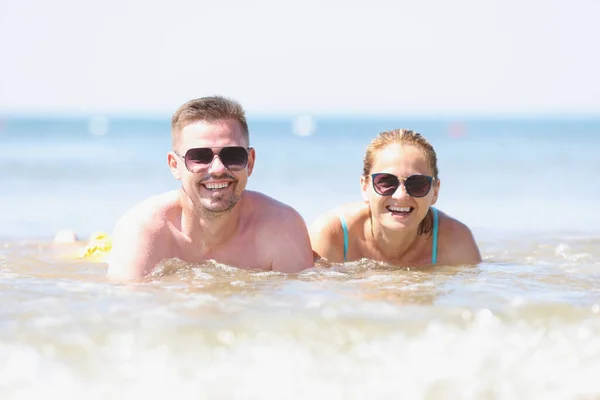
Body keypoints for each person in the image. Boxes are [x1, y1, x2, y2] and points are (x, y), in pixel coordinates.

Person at [103, 96, 314, 279]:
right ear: (174, 165)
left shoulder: (282, 228)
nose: (217, 168)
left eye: (232, 155)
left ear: (250, 162)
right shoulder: (144, 230)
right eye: (200, 157)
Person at [309, 129, 481, 266]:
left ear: (435, 191)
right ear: (365, 187)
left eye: (417, 184)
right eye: (386, 182)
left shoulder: (456, 242)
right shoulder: (331, 236)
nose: (400, 195)